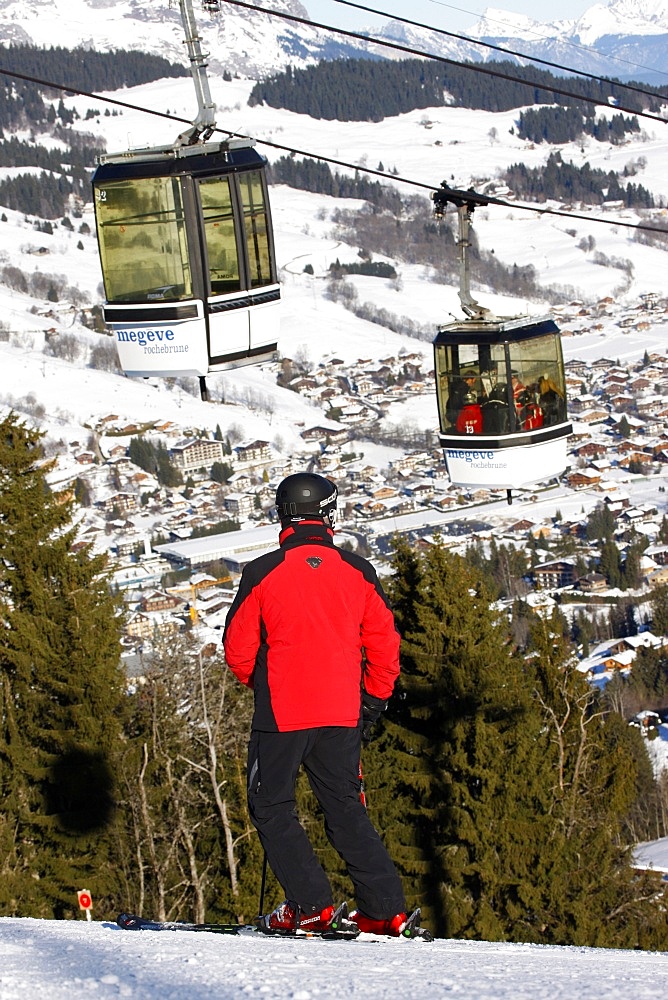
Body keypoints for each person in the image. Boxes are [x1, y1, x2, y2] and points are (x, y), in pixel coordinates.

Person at [223, 472, 413, 937]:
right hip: (342, 713)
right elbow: (386, 647)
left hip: (281, 715)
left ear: (282, 516)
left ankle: (310, 905)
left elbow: (237, 649)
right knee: (345, 807)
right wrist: (370, 702)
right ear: (329, 514)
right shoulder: (358, 572)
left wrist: (263, 686)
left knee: (271, 806)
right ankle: (384, 909)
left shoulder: (262, 572)